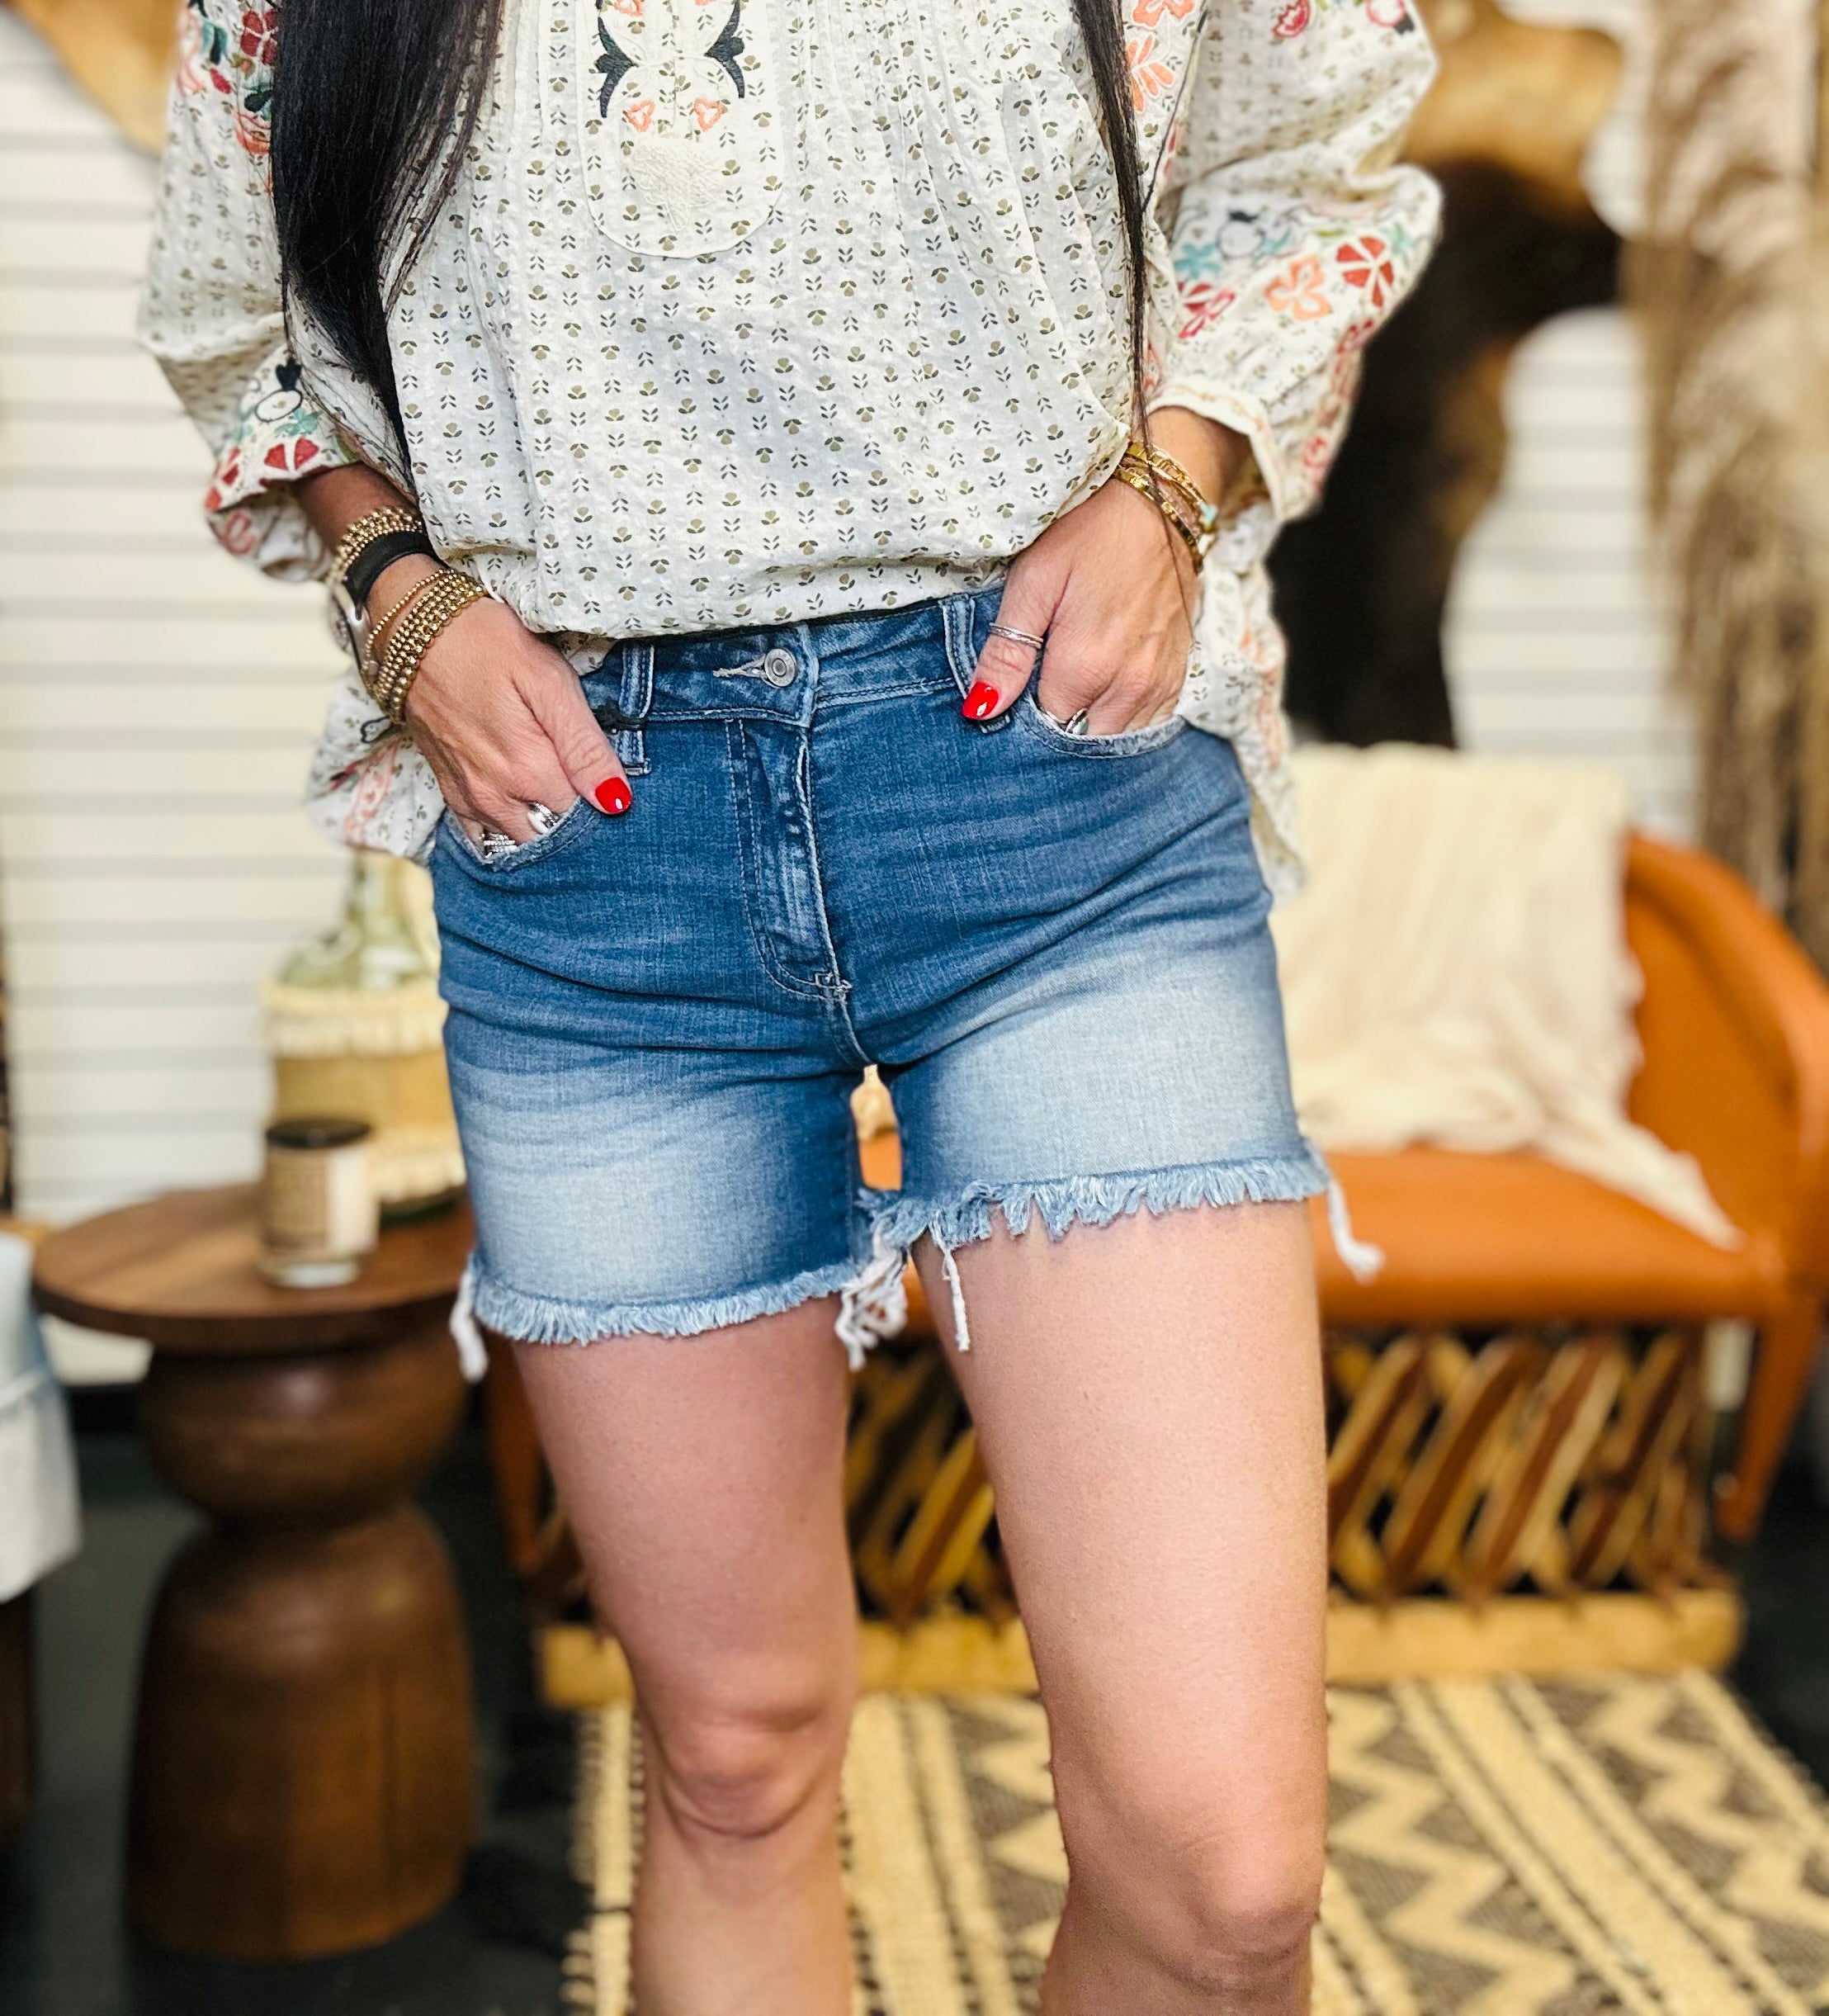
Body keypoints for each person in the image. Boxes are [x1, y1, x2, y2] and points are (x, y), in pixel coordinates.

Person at [142, 0, 1436, 2004]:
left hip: (1053, 789)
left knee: (1224, 1871)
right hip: (596, 843)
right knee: (734, 1763)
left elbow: (1313, 153)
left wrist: (1174, 484)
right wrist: (399, 594)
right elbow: (245, 325)